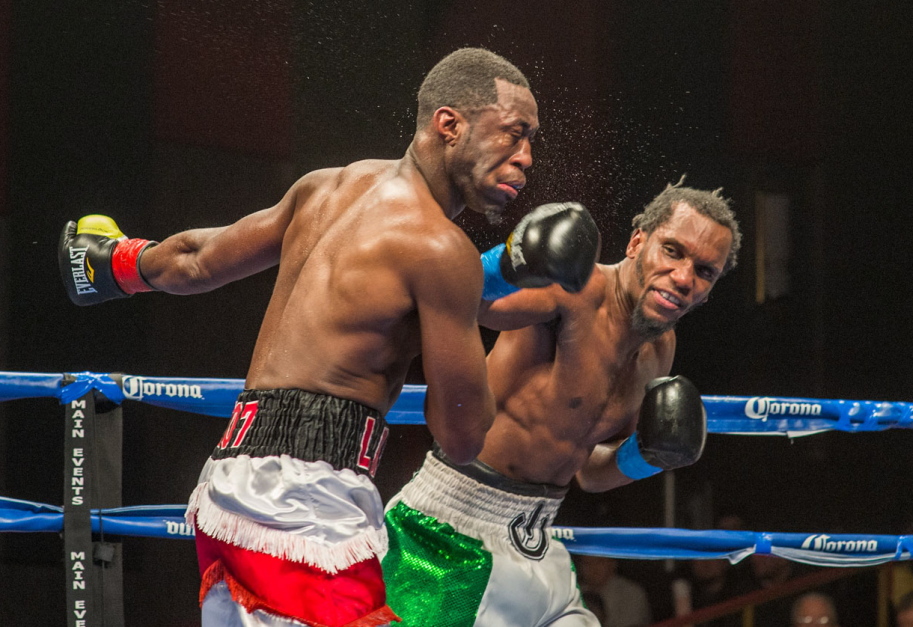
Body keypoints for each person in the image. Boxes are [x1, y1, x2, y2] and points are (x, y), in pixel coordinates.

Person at [58, 48, 598, 627]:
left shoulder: (328, 187)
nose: (526, 158)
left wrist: (112, 263)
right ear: (450, 124)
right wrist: (479, 294)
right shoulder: (443, 252)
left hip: (231, 482)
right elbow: (463, 438)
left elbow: (194, 260)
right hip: (305, 507)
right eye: (513, 135)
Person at [382, 179, 742, 625]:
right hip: (447, 535)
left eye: (705, 271)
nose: (685, 278)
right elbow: (455, 298)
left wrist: (646, 458)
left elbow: (591, 474)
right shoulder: (574, 293)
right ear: (637, 243)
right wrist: (509, 261)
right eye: (673, 251)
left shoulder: (659, 349)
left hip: (537, 542)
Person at [574, 554, 652, 627]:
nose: (593, 568)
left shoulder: (632, 593)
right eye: (587, 563)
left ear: (613, 563)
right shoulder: (574, 593)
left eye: (599, 562)